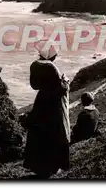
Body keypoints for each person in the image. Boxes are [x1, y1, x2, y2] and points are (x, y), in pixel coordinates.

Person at [23, 44, 71, 178]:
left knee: (39, 134)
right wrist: (65, 82)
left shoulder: (35, 65)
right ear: (51, 56)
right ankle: (52, 167)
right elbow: (59, 88)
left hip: (41, 101)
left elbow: (34, 85)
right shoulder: (51, 66)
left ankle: (37, 165)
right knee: (55, 133)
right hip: (53, 104)